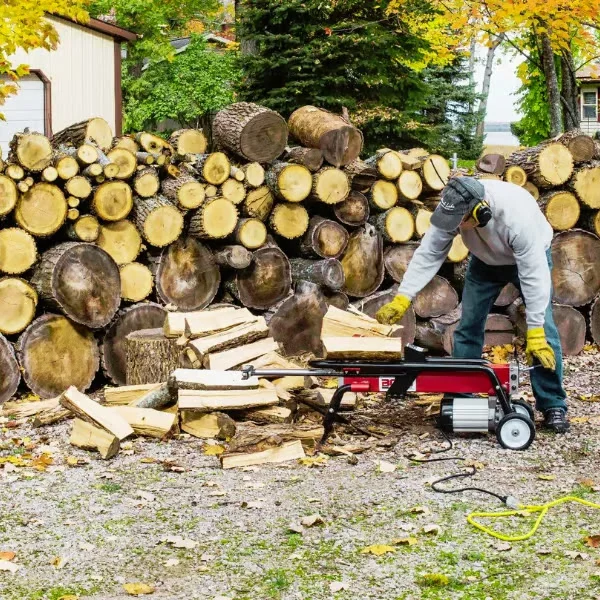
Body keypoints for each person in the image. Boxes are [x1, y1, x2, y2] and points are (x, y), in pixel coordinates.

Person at [376, 176, 569, 433]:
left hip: (528, 257)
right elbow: (430, 252)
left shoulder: (517, 218)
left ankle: (552, 404)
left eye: (461, 223)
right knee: (468, 326)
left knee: (543, 329)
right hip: (484, 262)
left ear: (481, 211)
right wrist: (404, 295)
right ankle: (462, 394)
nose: (455, 227)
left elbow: (534, 277)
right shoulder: (453, 205)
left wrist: (533, 330)